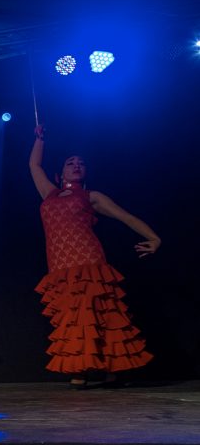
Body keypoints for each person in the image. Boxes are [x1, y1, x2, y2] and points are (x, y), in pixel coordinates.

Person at [29, 124, 160, 388]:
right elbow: (34, 165)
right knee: (73, 317)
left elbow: (125, 217)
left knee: (99, 314)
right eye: (71, 162)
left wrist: (154, 238)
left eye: (81, 163)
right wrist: (40, 140)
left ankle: (108, 369)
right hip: (60, 266)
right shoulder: (49, 193)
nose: (76, 165)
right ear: (60, 173)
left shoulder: (92, 196)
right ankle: (82, 368)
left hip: (88, 260)